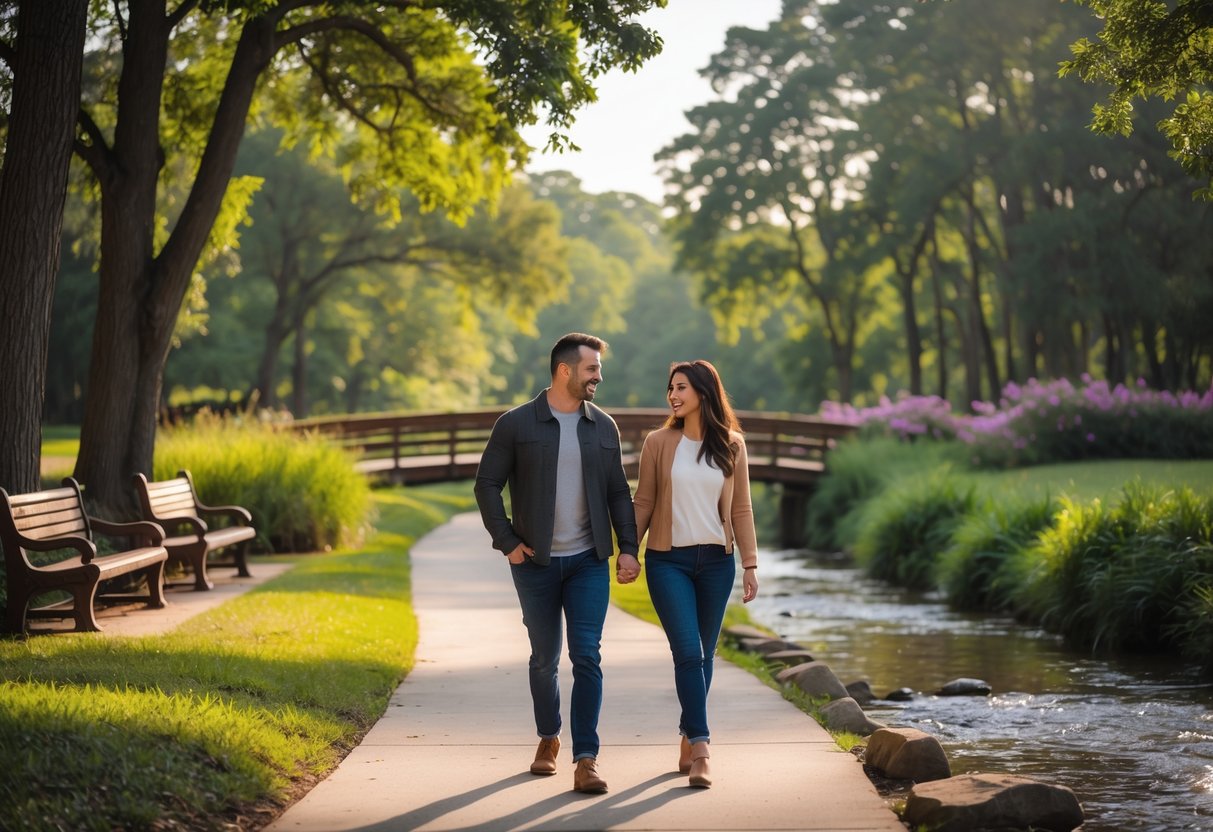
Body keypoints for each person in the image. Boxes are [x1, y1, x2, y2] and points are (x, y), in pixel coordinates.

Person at [474, 332, 641, 794]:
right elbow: (486, 484)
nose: (599, 378)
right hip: (535, 563)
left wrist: (628, 546)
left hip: (588, 561)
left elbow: (617, 492)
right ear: (565, 370)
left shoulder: (603, 426)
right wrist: (506, 540)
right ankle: (549, 737)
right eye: (592, 369)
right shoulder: (515, 424)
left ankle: (586, 758)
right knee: (545, 658)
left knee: (587, 656)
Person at [631, 359, 759, 789]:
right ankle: (702, 746)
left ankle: (688, 734)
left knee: (704, 656)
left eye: (681, 387)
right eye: (670, 387)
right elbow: (643, 502)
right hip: (669, 561)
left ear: (703, 390)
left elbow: (741, 507)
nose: (673, 395)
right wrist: (627, 550)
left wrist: (750, 564)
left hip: (717, 564)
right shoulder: (658, 442)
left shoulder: (733, 445)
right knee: (688, 652)